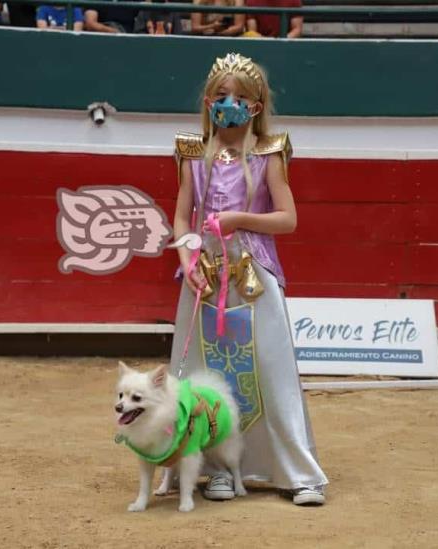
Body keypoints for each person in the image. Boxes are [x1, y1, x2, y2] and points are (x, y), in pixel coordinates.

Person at [169, 52, 328, 506]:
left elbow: (288, 219)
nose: (230, 104)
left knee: (271, 372)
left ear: (257, 106)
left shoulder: (268, 153)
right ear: (207, 101)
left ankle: (299, 472)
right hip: (203, 274)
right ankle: (220, 468)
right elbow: (182, 218)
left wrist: (239, 218)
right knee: (209, 374)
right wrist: (186, 259)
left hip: (253, 273)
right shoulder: (191, 152)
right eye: (221, 96)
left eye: (240, 97)